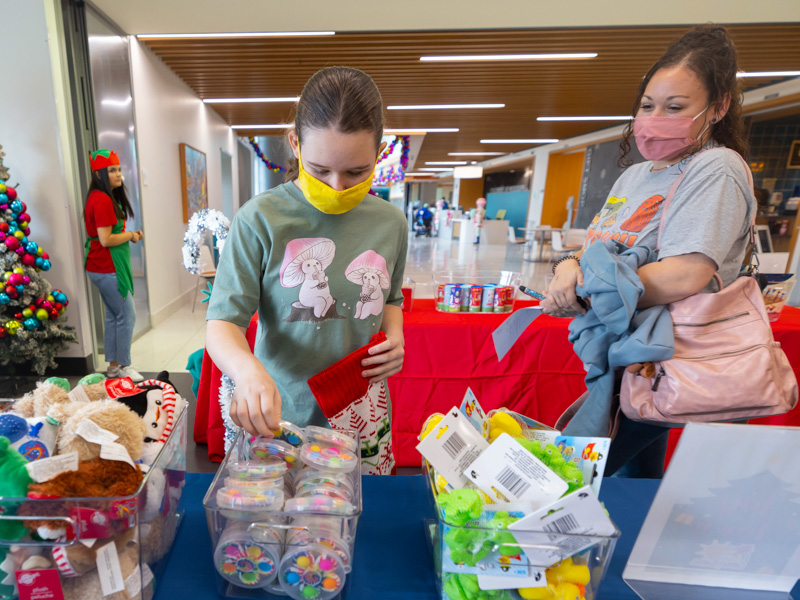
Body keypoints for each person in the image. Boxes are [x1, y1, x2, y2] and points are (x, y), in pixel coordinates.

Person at [542, 24, 753, 477]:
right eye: (647, 105)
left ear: (718, 108)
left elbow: (687, 273)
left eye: (675, 107)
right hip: (627, 356)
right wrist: (567, 267)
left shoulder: (715, 167)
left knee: (572, 480)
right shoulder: (634, 178)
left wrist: (590, 292)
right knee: (634, 483)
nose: (656, 117)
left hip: (669, 355)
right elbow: (598, 246)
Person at [205, 67, 408, 445]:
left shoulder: (391, 223)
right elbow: (222, 322)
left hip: (361, 415)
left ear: (379, 153)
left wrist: (394, 336)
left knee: (358, 503)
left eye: (356, 172)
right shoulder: (260, 219)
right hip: (282, 415)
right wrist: (246, 372)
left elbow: (391, 298)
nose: (336, 186)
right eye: (319, 170)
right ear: (295, 144)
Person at [84, 149, 144, 382]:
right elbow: (106, 239)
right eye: (112, 170)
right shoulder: (102, 200)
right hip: (107, 268)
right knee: (127, 315)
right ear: (99, 174)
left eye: (118, 169)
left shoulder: (102, 198)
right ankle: (125, 366)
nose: (118, 174)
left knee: (113, 316)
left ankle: (113, 367)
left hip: (101, 267)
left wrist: (129, 234)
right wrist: (131, 235)